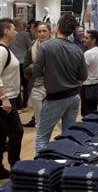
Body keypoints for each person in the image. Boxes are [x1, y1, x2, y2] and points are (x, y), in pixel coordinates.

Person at [33, 14, 87, 152]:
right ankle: (66, 165)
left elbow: (37, 71)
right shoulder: (77, 50)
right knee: (69, 136)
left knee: (42, 137)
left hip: (55, 97)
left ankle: (39, 171)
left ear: (57, 27)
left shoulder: (46, 46)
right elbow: (83, 76)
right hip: (74, 96)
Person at [0, 18, 23, 179]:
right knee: (17, 132)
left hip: (9, 98)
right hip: (5, 100)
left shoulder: (6, 49)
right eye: (14, 29)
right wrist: (4, 98)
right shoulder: (2, 50)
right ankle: (16, 167)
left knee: (1, 134)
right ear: (6, 30)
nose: (16, 32)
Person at [22, 22, 53, 128]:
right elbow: (25, 70)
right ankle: (41, 144)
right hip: (37, 87)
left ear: (50, 32)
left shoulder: (56, 47)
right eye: (39, 31)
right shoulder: (32, 49)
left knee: (55, 119)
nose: (41, 34)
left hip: (54, 87)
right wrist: (33, 67)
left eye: (44, 31)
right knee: (39, 122)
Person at [9, 18, 32, 109]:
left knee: (17, 84)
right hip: (24, 61)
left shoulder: (11, 36)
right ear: (20, 24)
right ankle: (24, 104)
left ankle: (18, 106)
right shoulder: (26, 34)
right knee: (26, 84)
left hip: (14, 62)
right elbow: (30, 47)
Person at [81, 30, 98, 116]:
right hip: (96, 86)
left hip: (88, 87)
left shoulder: (88, 53)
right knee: (93, 112)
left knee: (87, 114)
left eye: (87, 38)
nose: (84, 40)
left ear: (93, 40)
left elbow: (81, 70)